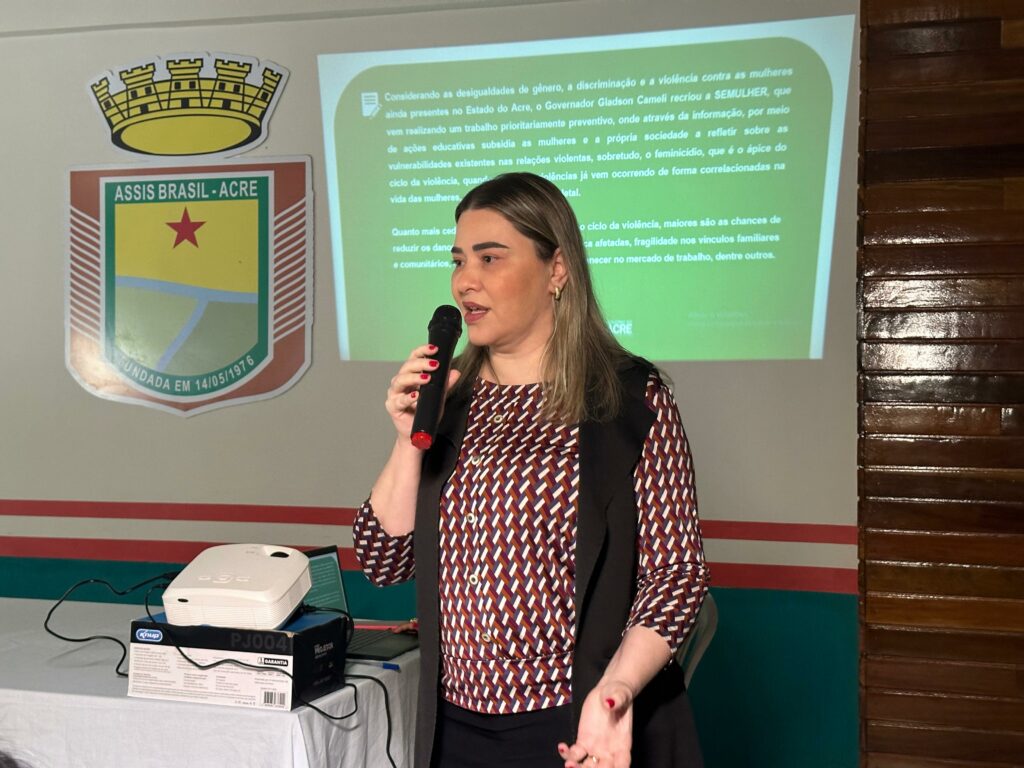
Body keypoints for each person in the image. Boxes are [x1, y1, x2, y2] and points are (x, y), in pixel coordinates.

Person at [353, 172, 709, 768]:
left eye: (491, 258)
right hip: (454, 725)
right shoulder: (451, 399)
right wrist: (408, 441)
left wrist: (614, 696)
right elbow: (383, 562)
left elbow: (676, 579)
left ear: (558, 270)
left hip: (576, 723)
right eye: (459, 260)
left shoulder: (630, 398)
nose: (466, 281)